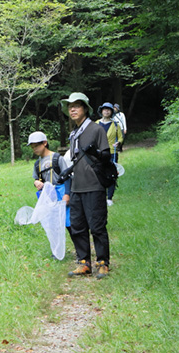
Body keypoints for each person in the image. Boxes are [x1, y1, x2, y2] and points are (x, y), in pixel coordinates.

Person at [61, 92, 111, 279]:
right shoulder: (74, 134)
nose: (72, 109)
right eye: (70, 106)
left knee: (97, 226)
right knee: (77, 226)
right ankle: (84, 263)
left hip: (94, 185)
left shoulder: (96, 129)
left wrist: (96, 153)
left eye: (77, 106)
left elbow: (106, 156)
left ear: (85, 109)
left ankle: (103, 263)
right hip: (76, 186)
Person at [28, 131, 76, 256]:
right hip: (48, 196)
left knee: (69, 223)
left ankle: (80, 251)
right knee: (52, 225)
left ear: (44, 143)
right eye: (32, 147)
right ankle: (56, 251)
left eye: (36, 146)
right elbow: (37, 178)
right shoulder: (37, 163)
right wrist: (36, 183)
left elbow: (67, 177)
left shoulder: (57, 158)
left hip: (61, 193)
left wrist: (67, 194)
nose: (35, 149)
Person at [96, 102, 123, 206]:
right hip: (99, 153)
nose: (106, 111)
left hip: (112, 152)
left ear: (111, 112)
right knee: (99, 174)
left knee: (111, 175)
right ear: (101, 111)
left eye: (109, 109)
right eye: (104, 109)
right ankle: (101, 196)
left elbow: (120, 137)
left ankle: (110, 198)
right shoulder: (96, 123)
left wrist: (118, 142)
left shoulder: (115, 125)